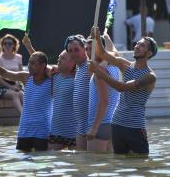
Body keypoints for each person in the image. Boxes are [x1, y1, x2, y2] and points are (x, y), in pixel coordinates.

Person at [88, 26, 157, 155]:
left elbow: (121, 87)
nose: (137, 46)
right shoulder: (125, 65)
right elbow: (102, 54)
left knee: (142, 164)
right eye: (137, 44)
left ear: (149, 54)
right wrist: (97, 38)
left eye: (142, 46)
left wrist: (98, 71)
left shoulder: (150, 77)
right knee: (120, 163)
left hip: (135, 127)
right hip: (117, 124)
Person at [0, 51, 52, 152]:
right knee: (23, 163)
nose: (29, 66)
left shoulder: (52, 80)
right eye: (29, 62)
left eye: (33, 63)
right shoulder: (26, 77)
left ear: (43, 66)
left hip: (43, 132)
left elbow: (58, 71)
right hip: (25, 130)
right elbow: (5, 73)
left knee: (42, 160)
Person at [22, 35, 77, 150]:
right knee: (47, 158)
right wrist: (28, 46)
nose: (58, 60)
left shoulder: (79, 77)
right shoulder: (55, 75)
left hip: (74, 132)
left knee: (76, 162)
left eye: (62, 58)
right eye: (59, 58)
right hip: (57, 131)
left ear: (72, 62)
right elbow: (39, 62)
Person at [85, 36, 120, 152]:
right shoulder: (114, 66)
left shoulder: (100, 70)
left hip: (100, 125)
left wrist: (94, 128)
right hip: (112, 124)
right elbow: (113, 50)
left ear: (100, 50)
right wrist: (106, 37)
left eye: (93, 48)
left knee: (95, 166)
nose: (89, 52)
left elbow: (104, 101)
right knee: (109, 167)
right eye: (87, 49)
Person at [64, 35, 91, 150]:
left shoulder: (91, 66)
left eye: (76, 50)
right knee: (82, 161)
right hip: (80, 124)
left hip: (91, 124)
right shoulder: (79, 68)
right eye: (70, 51)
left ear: (84, 49)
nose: (73, 53)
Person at [0, 34, 24, 115]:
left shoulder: (19, 57)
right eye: (5, 43)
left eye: (10, 43)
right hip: (1, 86)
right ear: (2, 45)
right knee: (15, 94)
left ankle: (32, 116)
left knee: (22, 94)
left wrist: (17, 85)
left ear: (14, 45)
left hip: (15, 84)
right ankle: (23, 117)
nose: (7, 45)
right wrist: (11, 87)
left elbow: (21, 75)